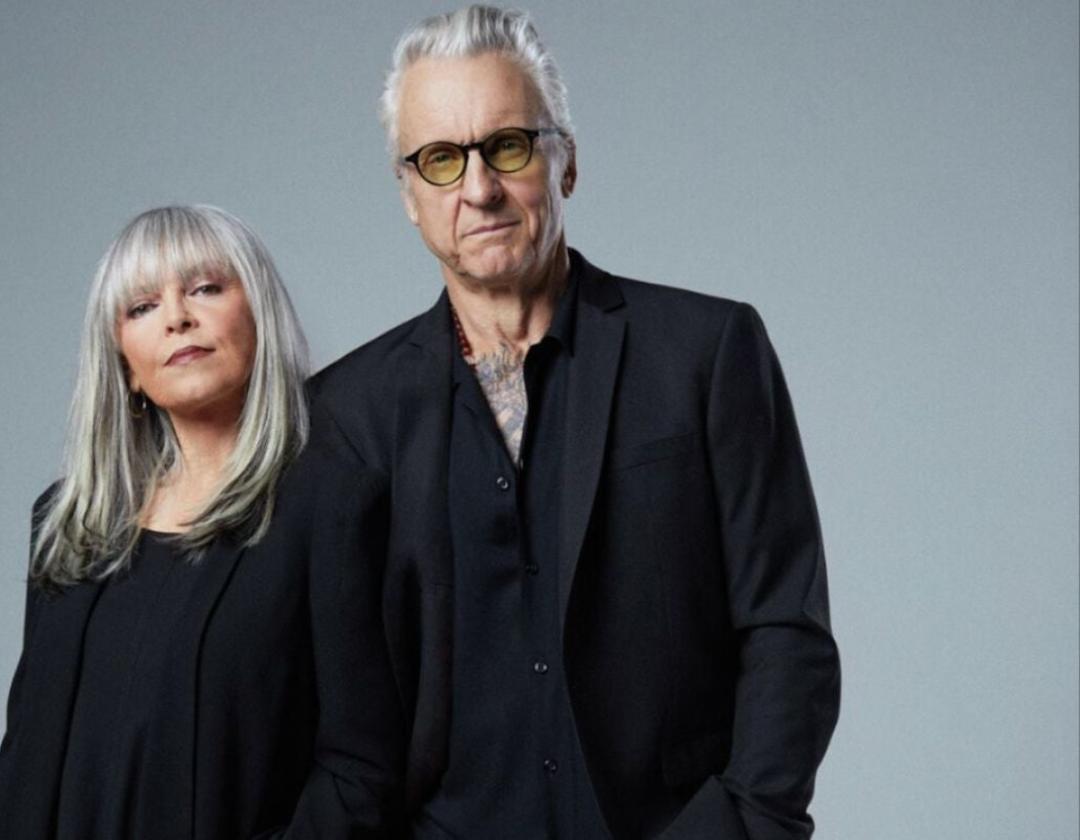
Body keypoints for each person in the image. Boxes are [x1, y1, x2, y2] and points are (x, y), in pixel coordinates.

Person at [310, 6, 841, 839]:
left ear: (567, 164)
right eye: (441, 161)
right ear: (409, 196)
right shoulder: (344, 416)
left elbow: (787, 630)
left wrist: (744, 826)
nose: (478, 189)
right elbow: (340, 708)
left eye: (509, 147)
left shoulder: (706, 353)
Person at [0, 205, 401, 839]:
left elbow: (362, 772)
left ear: (258, 314)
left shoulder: (330, 507)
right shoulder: (67, 523)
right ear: (123, 364)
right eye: (141, 307)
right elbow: (24, 762)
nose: (177, 318)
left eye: (205, 288)